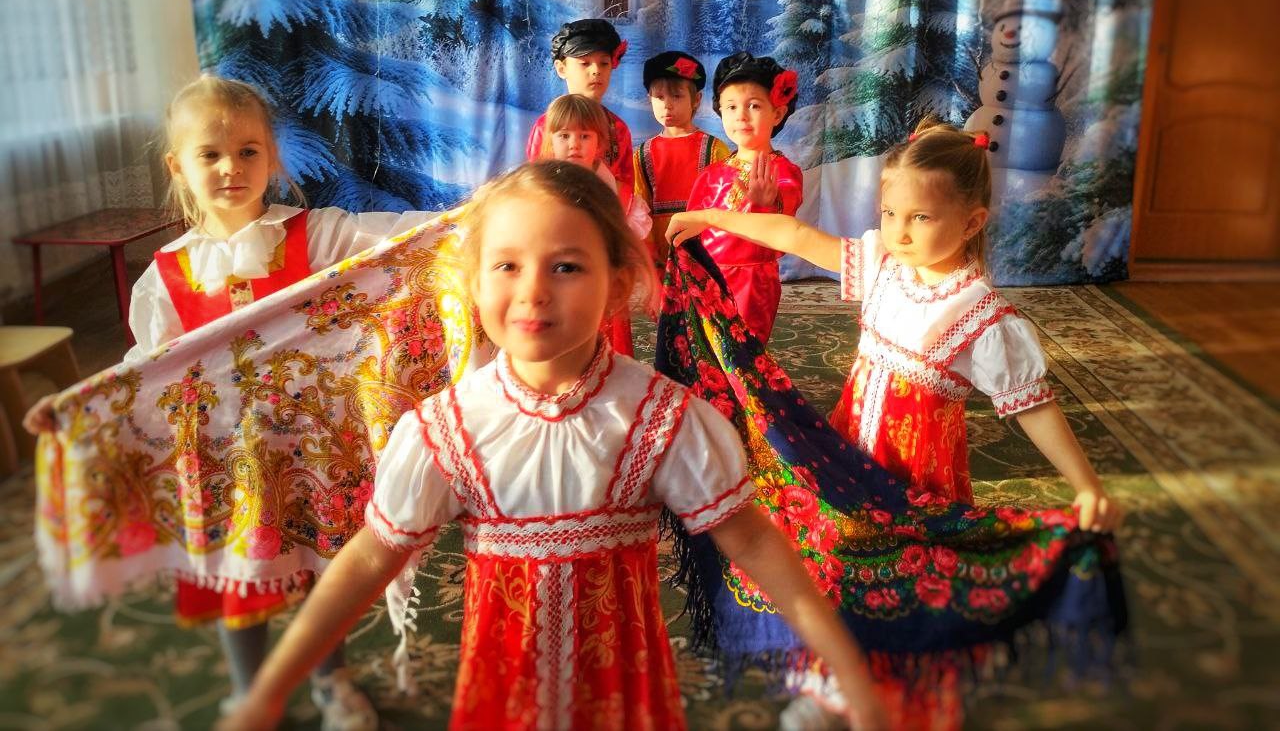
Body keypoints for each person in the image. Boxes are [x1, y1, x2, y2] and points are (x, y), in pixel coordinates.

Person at [217, 162, 887, 731]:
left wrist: (848, 670)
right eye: (506, 265)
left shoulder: (662, 419)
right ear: (473, 282)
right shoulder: (446, 429)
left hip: (626, 698)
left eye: (566, 266)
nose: (533, 291)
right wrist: (271, 687)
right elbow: (371, 557)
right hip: (501, 698)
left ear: (617, 284)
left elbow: (754, 542)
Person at [25, 73, 446, 729]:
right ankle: (252, 696)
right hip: (223, 466)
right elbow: (143, 373)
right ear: (178, 166)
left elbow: (404, 241)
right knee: (237, 586)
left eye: (249, 150)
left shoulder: (318, 235)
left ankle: (331, 682)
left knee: (322, 577)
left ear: (272, 156)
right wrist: (77, 405)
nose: (231, 167)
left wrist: (486, 215)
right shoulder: (164, 276)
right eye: (211, 154)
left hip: (309, 457)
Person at [668, 116, 1122, 523]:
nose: (899, 232)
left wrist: (1087, 487)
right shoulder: (883, 264)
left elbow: (1033, 405)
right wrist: (710, 217)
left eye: (920, 217)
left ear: (971, 223)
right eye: (889, 213)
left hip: (916, 479)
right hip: (852, 449)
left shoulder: (980, 314)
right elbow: (796, 234)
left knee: (912, 564)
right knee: (843, 545)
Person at [684, 51, 803, 344]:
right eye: (731, 106)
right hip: (709, 275)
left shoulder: (782, 170)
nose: (741, 115)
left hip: (752, 280)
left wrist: (770, 203)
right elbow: (694, 222)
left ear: (777, 113)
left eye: (754, 105)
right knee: (706, 345)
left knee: (743, 347)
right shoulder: (712, 173)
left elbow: (788, 206)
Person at [538, 93, 650, 355]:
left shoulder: (617, 194)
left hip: (601, 290)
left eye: (584, 136)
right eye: (564, 136)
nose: (574, 144)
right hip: (553, 288)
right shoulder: (538, 189)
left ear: (599, 142)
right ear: (550, 140)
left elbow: (630, 244)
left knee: (604, 355)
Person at [632, 50, 730, 269]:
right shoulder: (642, 154)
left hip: (705, 252)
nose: (667, 105)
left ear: (696, 100)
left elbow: (725, 204)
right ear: (649, 100)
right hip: (661, 254)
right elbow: (640, 207)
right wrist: (648, 250)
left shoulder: (714, 149)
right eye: (660, 97)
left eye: (677, 96)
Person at [526, 18, 635, 207]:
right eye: (585, 63)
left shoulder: (618, 128)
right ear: (562, 69)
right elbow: (537, 181)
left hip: (607, 215)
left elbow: (627, 186)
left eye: (604, 63)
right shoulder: (547, 125)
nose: (596, 70)